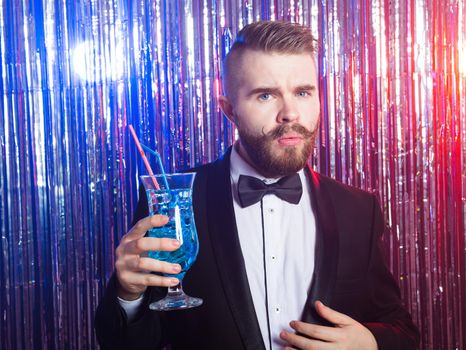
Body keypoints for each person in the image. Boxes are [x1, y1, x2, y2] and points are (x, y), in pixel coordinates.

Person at [95, 20, 420, 350]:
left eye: (303, 92)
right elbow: (129, 344)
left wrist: (370, 344)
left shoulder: (358, 210)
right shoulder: (174, 202)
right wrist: (129, 295)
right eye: (266, 95)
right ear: (229, 110)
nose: (290, 113)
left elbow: (403, 330)